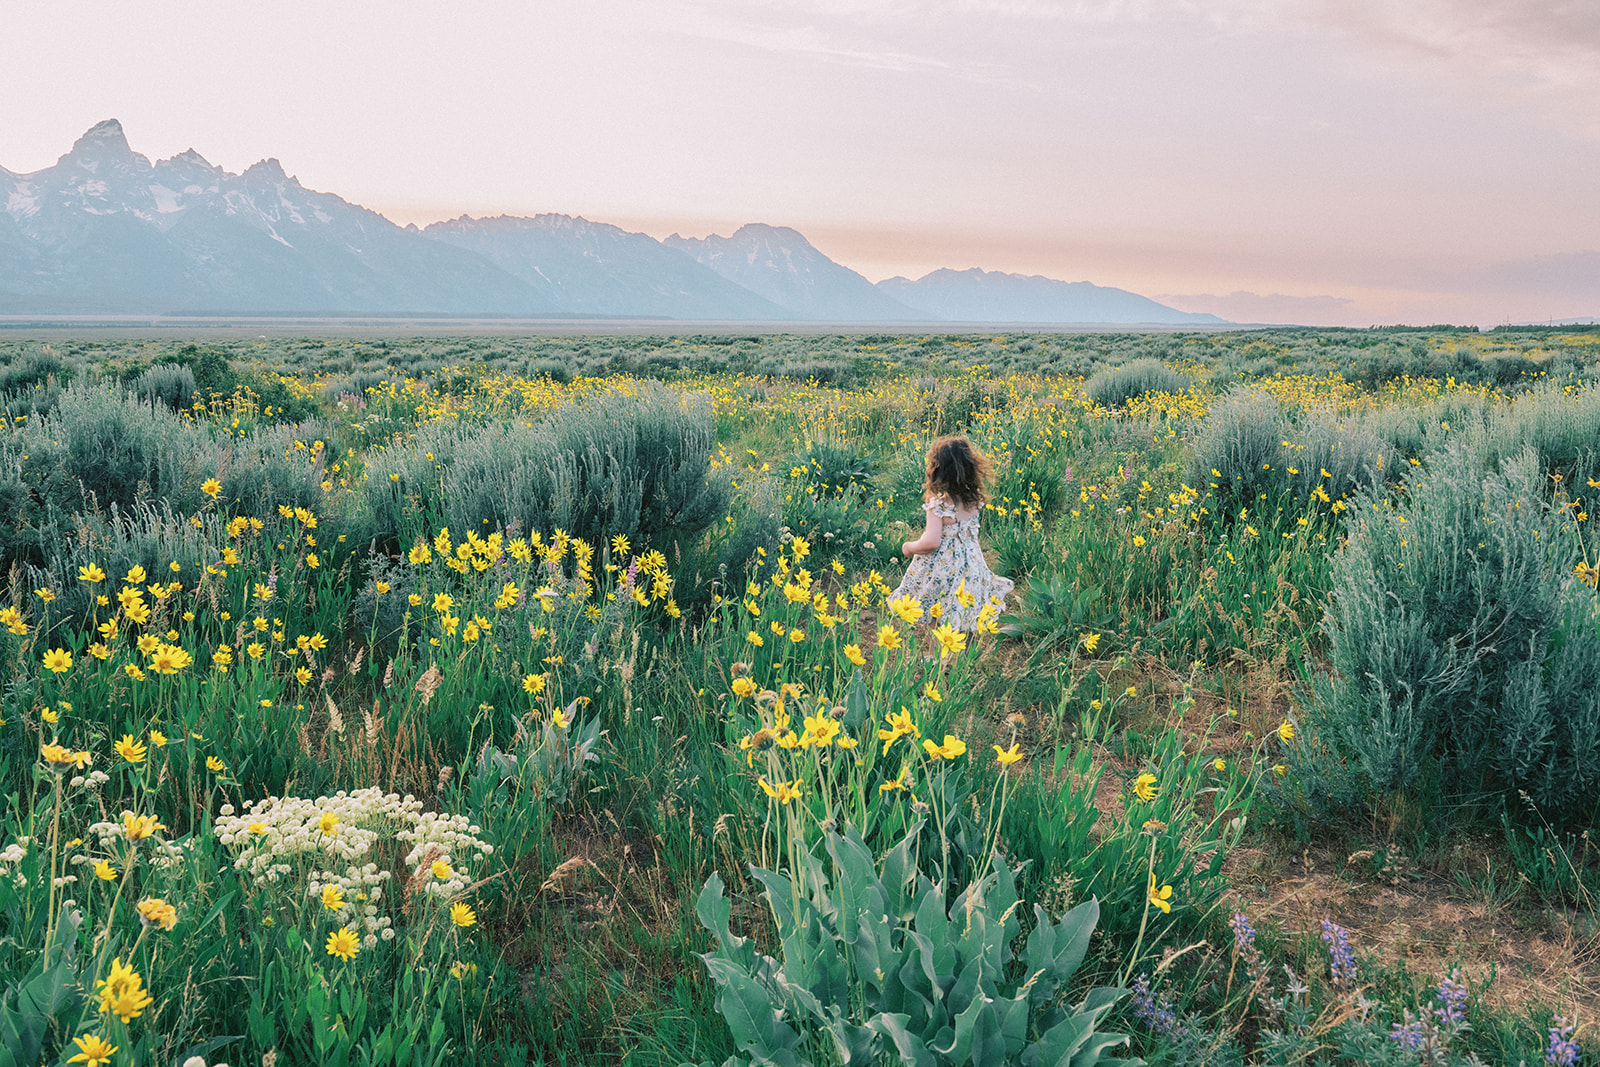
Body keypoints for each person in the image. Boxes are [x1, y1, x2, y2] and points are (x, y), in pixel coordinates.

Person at [893, 436, 1014, 632]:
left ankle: (934, 659)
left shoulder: (938, 502)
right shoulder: (973, 500)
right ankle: (965, 657)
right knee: (966, 609)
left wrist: (909, 547)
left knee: (936, 611)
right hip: (971, 565)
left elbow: (932, 541)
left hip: (943, 566)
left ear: (937, 469)